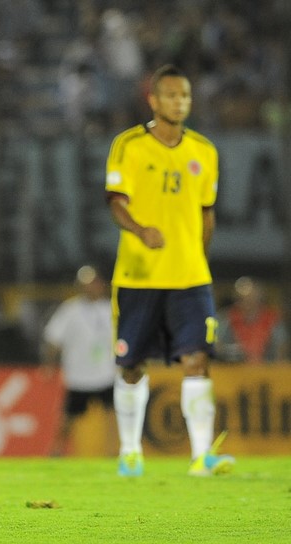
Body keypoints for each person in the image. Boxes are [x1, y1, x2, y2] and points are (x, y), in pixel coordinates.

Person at [105, 64, 234, 478]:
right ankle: (129, 452)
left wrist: (199, 258)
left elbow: (206, 215)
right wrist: (141, 230)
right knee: (132, 367)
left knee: (196, 361)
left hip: (191, 278)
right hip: (139, 276)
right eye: (172, 95)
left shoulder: (205, 151)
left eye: (186, 96)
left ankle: (201, 456)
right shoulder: (128, 146)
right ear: (154, 100)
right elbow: (115, 203)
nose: (180, 102)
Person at [40, 265, 116, 457]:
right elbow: (53, 339)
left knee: (113, 414)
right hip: (79, 374)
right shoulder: (71, 309)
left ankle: (114, 451)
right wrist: (49, 364)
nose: (90, 288)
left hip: (106, 372)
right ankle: (56, 451)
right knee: (68, 417)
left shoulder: (112, 309)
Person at [216, 276, 289, 364]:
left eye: (251, 299)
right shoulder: (225, 319)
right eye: (243, 300)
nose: (248, 304)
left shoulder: (273, 319)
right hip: (233, 369)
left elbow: (281, 348)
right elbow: (216, 345)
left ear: (260, 299)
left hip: (267, 370)